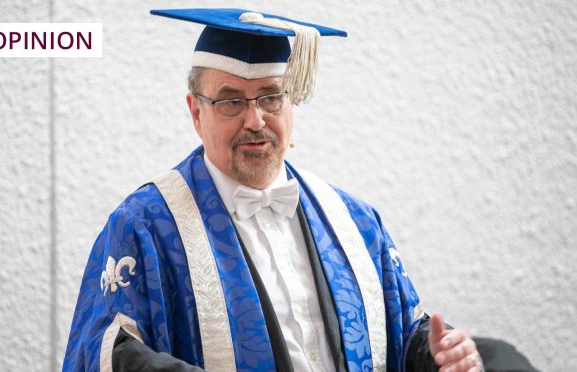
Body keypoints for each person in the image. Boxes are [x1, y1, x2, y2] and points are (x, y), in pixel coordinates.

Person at [63, 8, 483, 372]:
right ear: (195, 112)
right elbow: (107, 355)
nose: (256, 120)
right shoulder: (145, 227)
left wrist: (440, 357)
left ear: (290, 104)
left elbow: (404, 333)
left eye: (271, 97)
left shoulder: (356, 223)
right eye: (231, 101)